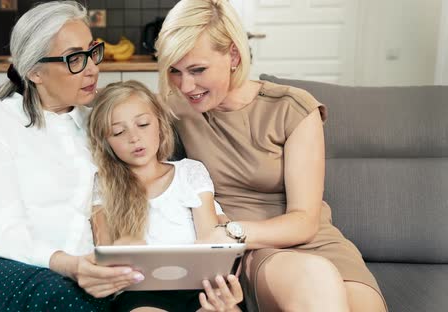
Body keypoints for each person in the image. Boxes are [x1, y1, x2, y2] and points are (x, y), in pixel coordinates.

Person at [155, 0, 388, 311]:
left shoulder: (293, 108)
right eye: (174, 71)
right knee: (314, 280)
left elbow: (305, 221)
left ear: (233, 55)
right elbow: (112, 120)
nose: (185, 85)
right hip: (258, 254)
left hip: (309, 241)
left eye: (198, 70)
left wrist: (227, 232)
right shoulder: (175, 108)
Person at [0, 2, 144, 311]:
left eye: (92, 52)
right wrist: (70, 265)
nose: (93, 68)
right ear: (33, 71)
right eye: (74, 58)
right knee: (61, 296)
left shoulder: (103, 123)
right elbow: (2, 228)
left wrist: (107, 264)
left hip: (80, 273)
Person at [87, 80, 243, 312]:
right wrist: (122, 247)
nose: (134, 138)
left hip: (199, 290)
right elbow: (105, 252)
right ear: (106, 142)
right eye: (118, 132)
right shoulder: (103, 184)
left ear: (159, 124)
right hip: (141, 295)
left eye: (143, 124)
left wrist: (222, 291)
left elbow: (211, 248)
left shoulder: (189, 172)